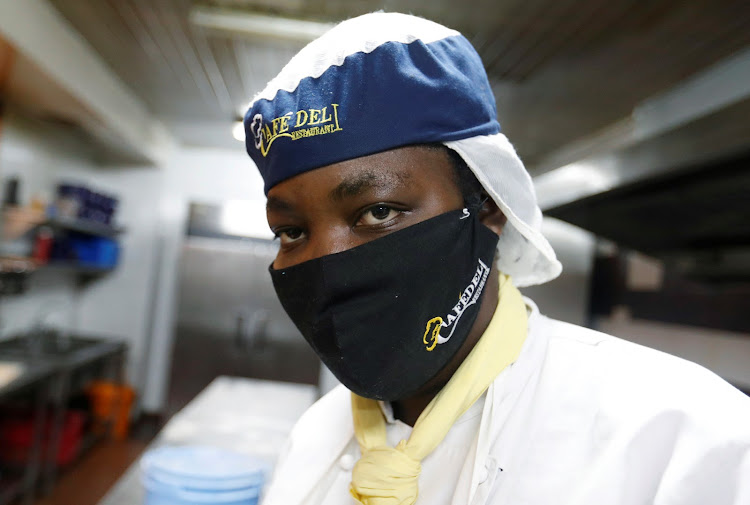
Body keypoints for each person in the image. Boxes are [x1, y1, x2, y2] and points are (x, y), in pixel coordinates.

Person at [243, 12, 750, 505]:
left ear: (487, 206)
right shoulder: (313, 441)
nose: (328, 264)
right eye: (290, 231)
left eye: (378, 212)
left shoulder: (681, 442)